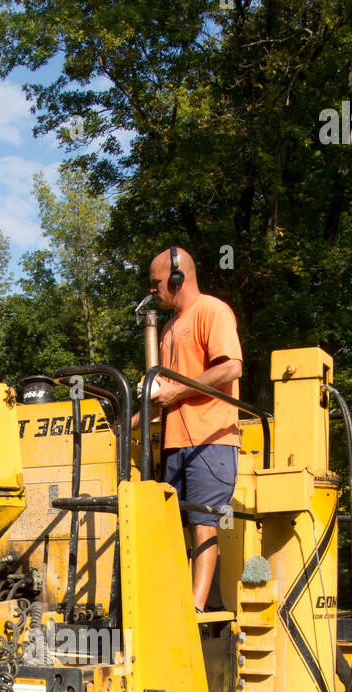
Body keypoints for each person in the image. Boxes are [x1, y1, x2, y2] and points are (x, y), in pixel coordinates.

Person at [134, 246, 243, 613]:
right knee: (171, 527)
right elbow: (164, 394)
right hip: (173, 443)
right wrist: (129, 423)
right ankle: (175, 602)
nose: (153, 291)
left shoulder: (212, 311)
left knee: (203, 523)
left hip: (210, 442)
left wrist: (177, 390)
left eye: (156, 283)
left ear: (177, 278)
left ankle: (193, 609)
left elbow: (231, 368)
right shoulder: (167, 330)